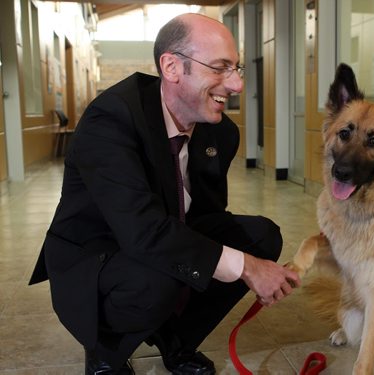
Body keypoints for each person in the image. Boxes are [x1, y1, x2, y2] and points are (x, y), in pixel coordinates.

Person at [29, 12, 300, 375]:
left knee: (259, 237)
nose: (235, 85)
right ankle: (104, 351)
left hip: (153, 241)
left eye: (236, 69)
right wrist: (247, 268)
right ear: (172, 67)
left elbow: (206, 217)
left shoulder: (220, 133)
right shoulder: (109, 120)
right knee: (160, 276)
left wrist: (244, 257)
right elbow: (142, 232)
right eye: (220, 68)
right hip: (99, 257)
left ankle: (178, 341)